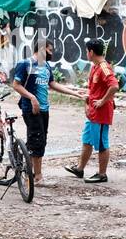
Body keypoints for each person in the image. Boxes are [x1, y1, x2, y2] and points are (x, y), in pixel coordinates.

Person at [10, 37, 77, 187]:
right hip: (31, 109)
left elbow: (52, 84)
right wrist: (32, 97)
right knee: (37, 142)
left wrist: (74, 93)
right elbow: (16, 85)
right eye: (49, 50)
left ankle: (28, 168)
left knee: (40, 141)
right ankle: (35, 177)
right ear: (41, 49)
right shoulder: (25, 64)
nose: (51, 53)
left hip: (44, 109)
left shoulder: (45, 65)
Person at [65, 39, 120, 183]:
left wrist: (102, 101)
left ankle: (102, 174)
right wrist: (87, 105)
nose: (86, 54)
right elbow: (92, 91)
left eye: (86, 51)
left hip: (101, 114)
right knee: (87, 141)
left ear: (91, 52)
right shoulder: (95, 67)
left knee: (102, 143)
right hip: (93, 114)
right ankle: (79, 169)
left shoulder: (104, 67)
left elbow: (114, 86)